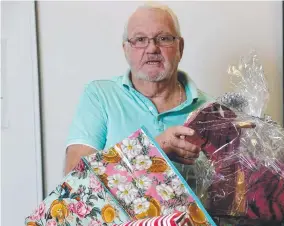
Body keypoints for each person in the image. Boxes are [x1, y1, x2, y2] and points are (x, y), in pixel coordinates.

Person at [64, 3, 211, 174]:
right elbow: (76, 179)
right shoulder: (100, 96)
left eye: (163, 38)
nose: (152, 48)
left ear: (180, 48)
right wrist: (155, 150)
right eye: (140, 39)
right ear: (125, 49)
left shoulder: (211, 110)